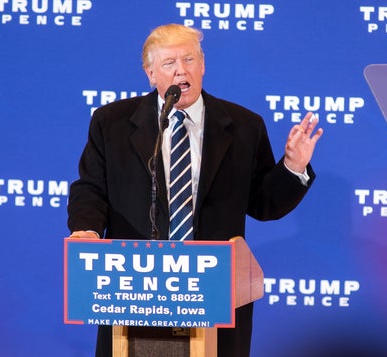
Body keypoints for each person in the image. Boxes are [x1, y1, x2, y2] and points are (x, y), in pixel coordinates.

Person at [66, 23, 322, 357]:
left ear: (202, 66)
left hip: (215, 292)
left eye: (189, 59)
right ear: (151, 74)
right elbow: (91, 188)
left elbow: (264, 204)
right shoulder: (111, 122)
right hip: (137, 289)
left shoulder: (244, 125)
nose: (181, 71)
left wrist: (293, 166)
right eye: (169, 63)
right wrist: (85, 230)